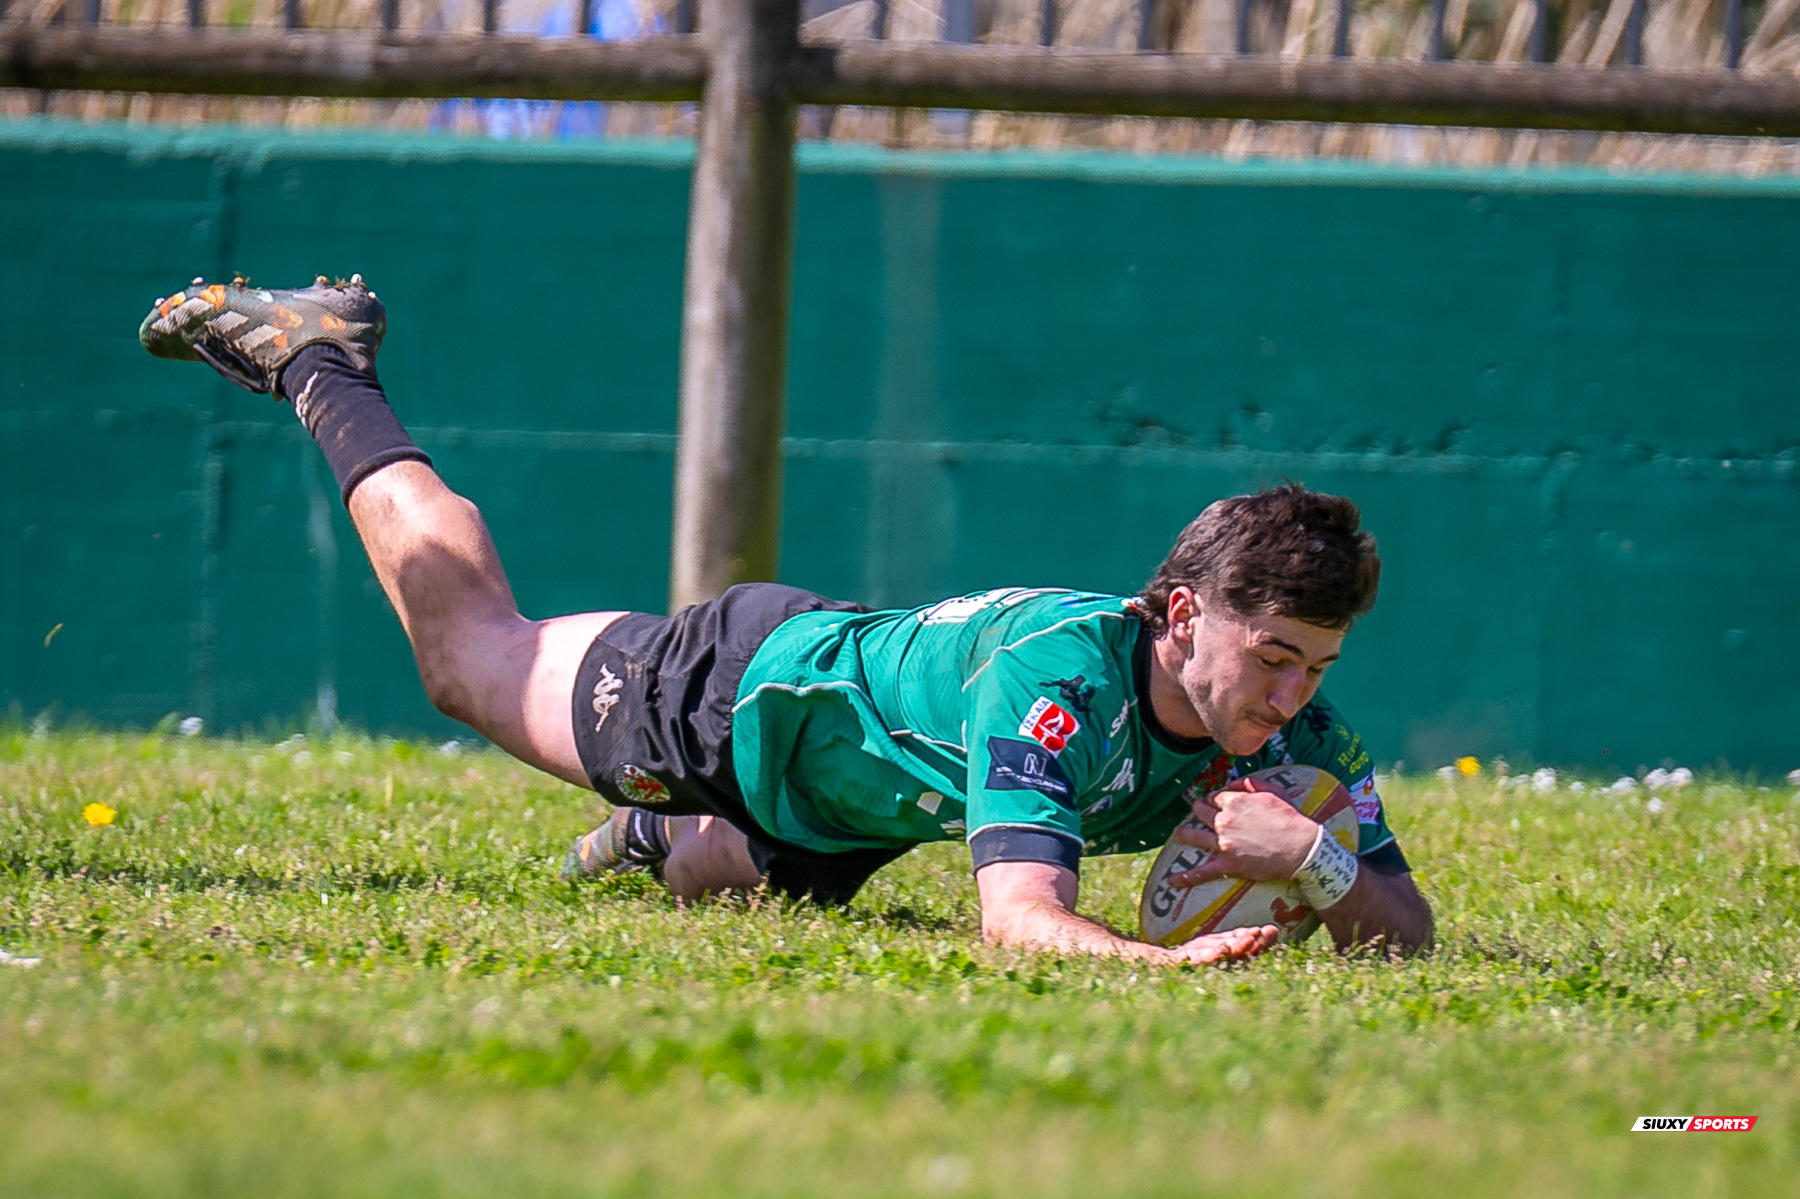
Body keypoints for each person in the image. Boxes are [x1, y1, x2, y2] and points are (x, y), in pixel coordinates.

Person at [139, 275, 1434, 967]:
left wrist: (1312, 860)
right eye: (1270, 658)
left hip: (860, 811)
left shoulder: (1294, 735)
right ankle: (321, 359)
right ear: (1177, 613)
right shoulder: (1059, 679)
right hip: (748, 692)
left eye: (1312, 667)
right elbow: (1021, 926)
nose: (1286, 698)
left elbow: (1409, 932)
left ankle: (658, 835)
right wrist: (1162, 978)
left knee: (727, 878)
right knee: (470, 656)